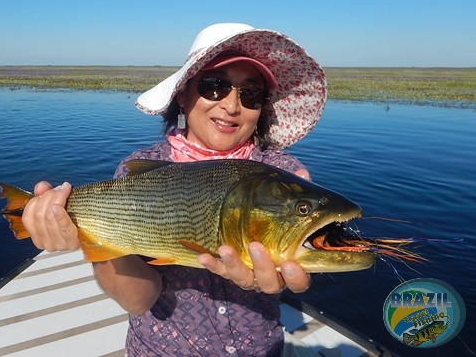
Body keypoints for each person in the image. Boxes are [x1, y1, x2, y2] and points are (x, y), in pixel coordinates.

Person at [22, 23, 327, 356]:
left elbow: (307, 257)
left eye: (250, 93)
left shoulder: (282, 174)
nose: (231, 105)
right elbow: (139, 300)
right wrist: (89, 237)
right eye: (214, 86)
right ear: (183, 93)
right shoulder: (137, 169)